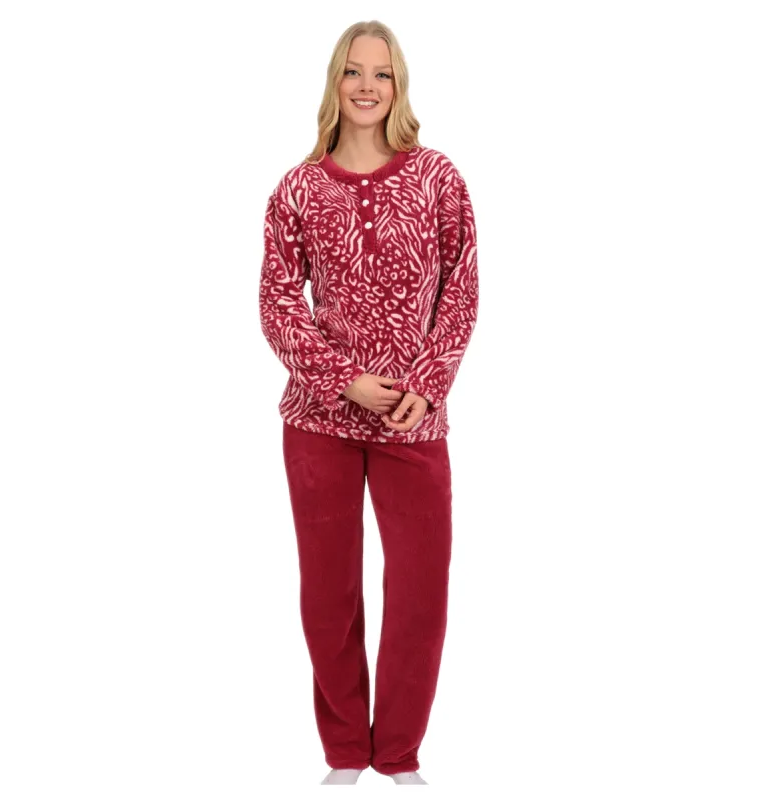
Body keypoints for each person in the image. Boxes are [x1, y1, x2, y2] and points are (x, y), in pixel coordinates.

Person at [258, 19, 479, 786]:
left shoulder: (438, 179)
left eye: (381, 74)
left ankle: (401, 757)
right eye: (354, 71)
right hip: (318, 421)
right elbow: (277, 305)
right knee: (329, 594)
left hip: (415, 422)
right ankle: (347, 754)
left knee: (420, 592)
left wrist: (428, 382)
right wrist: (341, 379)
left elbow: (461, 289)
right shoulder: (297, 189)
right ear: (335, 80)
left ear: (399, 85)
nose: (366, 86)